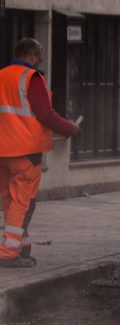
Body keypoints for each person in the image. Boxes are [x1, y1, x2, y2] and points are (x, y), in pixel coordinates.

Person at [0, 38, 79, 267]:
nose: (40, 61)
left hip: (3, 151)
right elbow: (45, 114)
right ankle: (8, 254)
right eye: (39, 56)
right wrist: (69, 128)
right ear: (32, 55)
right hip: (26, 151)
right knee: (21, 202)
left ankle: (21, 246)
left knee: (9, 201)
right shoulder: (32, 78)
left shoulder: (2, 75)